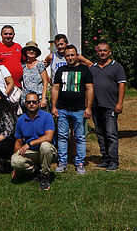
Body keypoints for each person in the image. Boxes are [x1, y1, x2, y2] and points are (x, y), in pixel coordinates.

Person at [51, 44, 94, 175]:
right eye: (67, 55)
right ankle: (62, 162)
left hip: (79, 109)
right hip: (62, 109)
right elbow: (55, 89)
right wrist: (53, 106)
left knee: (80, 137)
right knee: (62, 136)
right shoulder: (60, 70)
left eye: (72, 55)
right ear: (65, 56)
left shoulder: (85, 70)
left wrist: (88, 107)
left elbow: (89, 89)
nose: (70, 57)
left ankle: (80, 163)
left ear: (77, 56)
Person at [89, 40, 127, 171]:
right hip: (95, 106)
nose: (102, 53)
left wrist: (119, 103)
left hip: (110, 106)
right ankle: (104, 158)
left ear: (109, 52)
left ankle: (113, 161)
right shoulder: (92, 68)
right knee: (100, 134)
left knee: (111, 134)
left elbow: (122, 85)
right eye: (100, 51)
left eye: (105, 50)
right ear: (97, 52)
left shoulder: (117, 67)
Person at [10, 92, 57, 190]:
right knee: (15, 161)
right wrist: (15, 168)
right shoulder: (21, 120)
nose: (31, 104)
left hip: (44, 151)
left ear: (39, 103)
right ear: (25, 103)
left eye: (34, 102)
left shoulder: (47, 116)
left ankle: (44, 176)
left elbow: (48, 137)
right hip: (30, 153)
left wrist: (29, 144)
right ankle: (35, 170)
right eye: (29, 102)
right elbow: (18, 142)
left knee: (45, 146)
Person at [21, 41, 49, 109]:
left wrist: (43, 98)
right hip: (26, 99)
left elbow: (45, 82)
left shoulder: (40, 64)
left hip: (38, 99)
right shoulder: (23, 65)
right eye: (29, 50)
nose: (31, 51)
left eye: (33, 50)